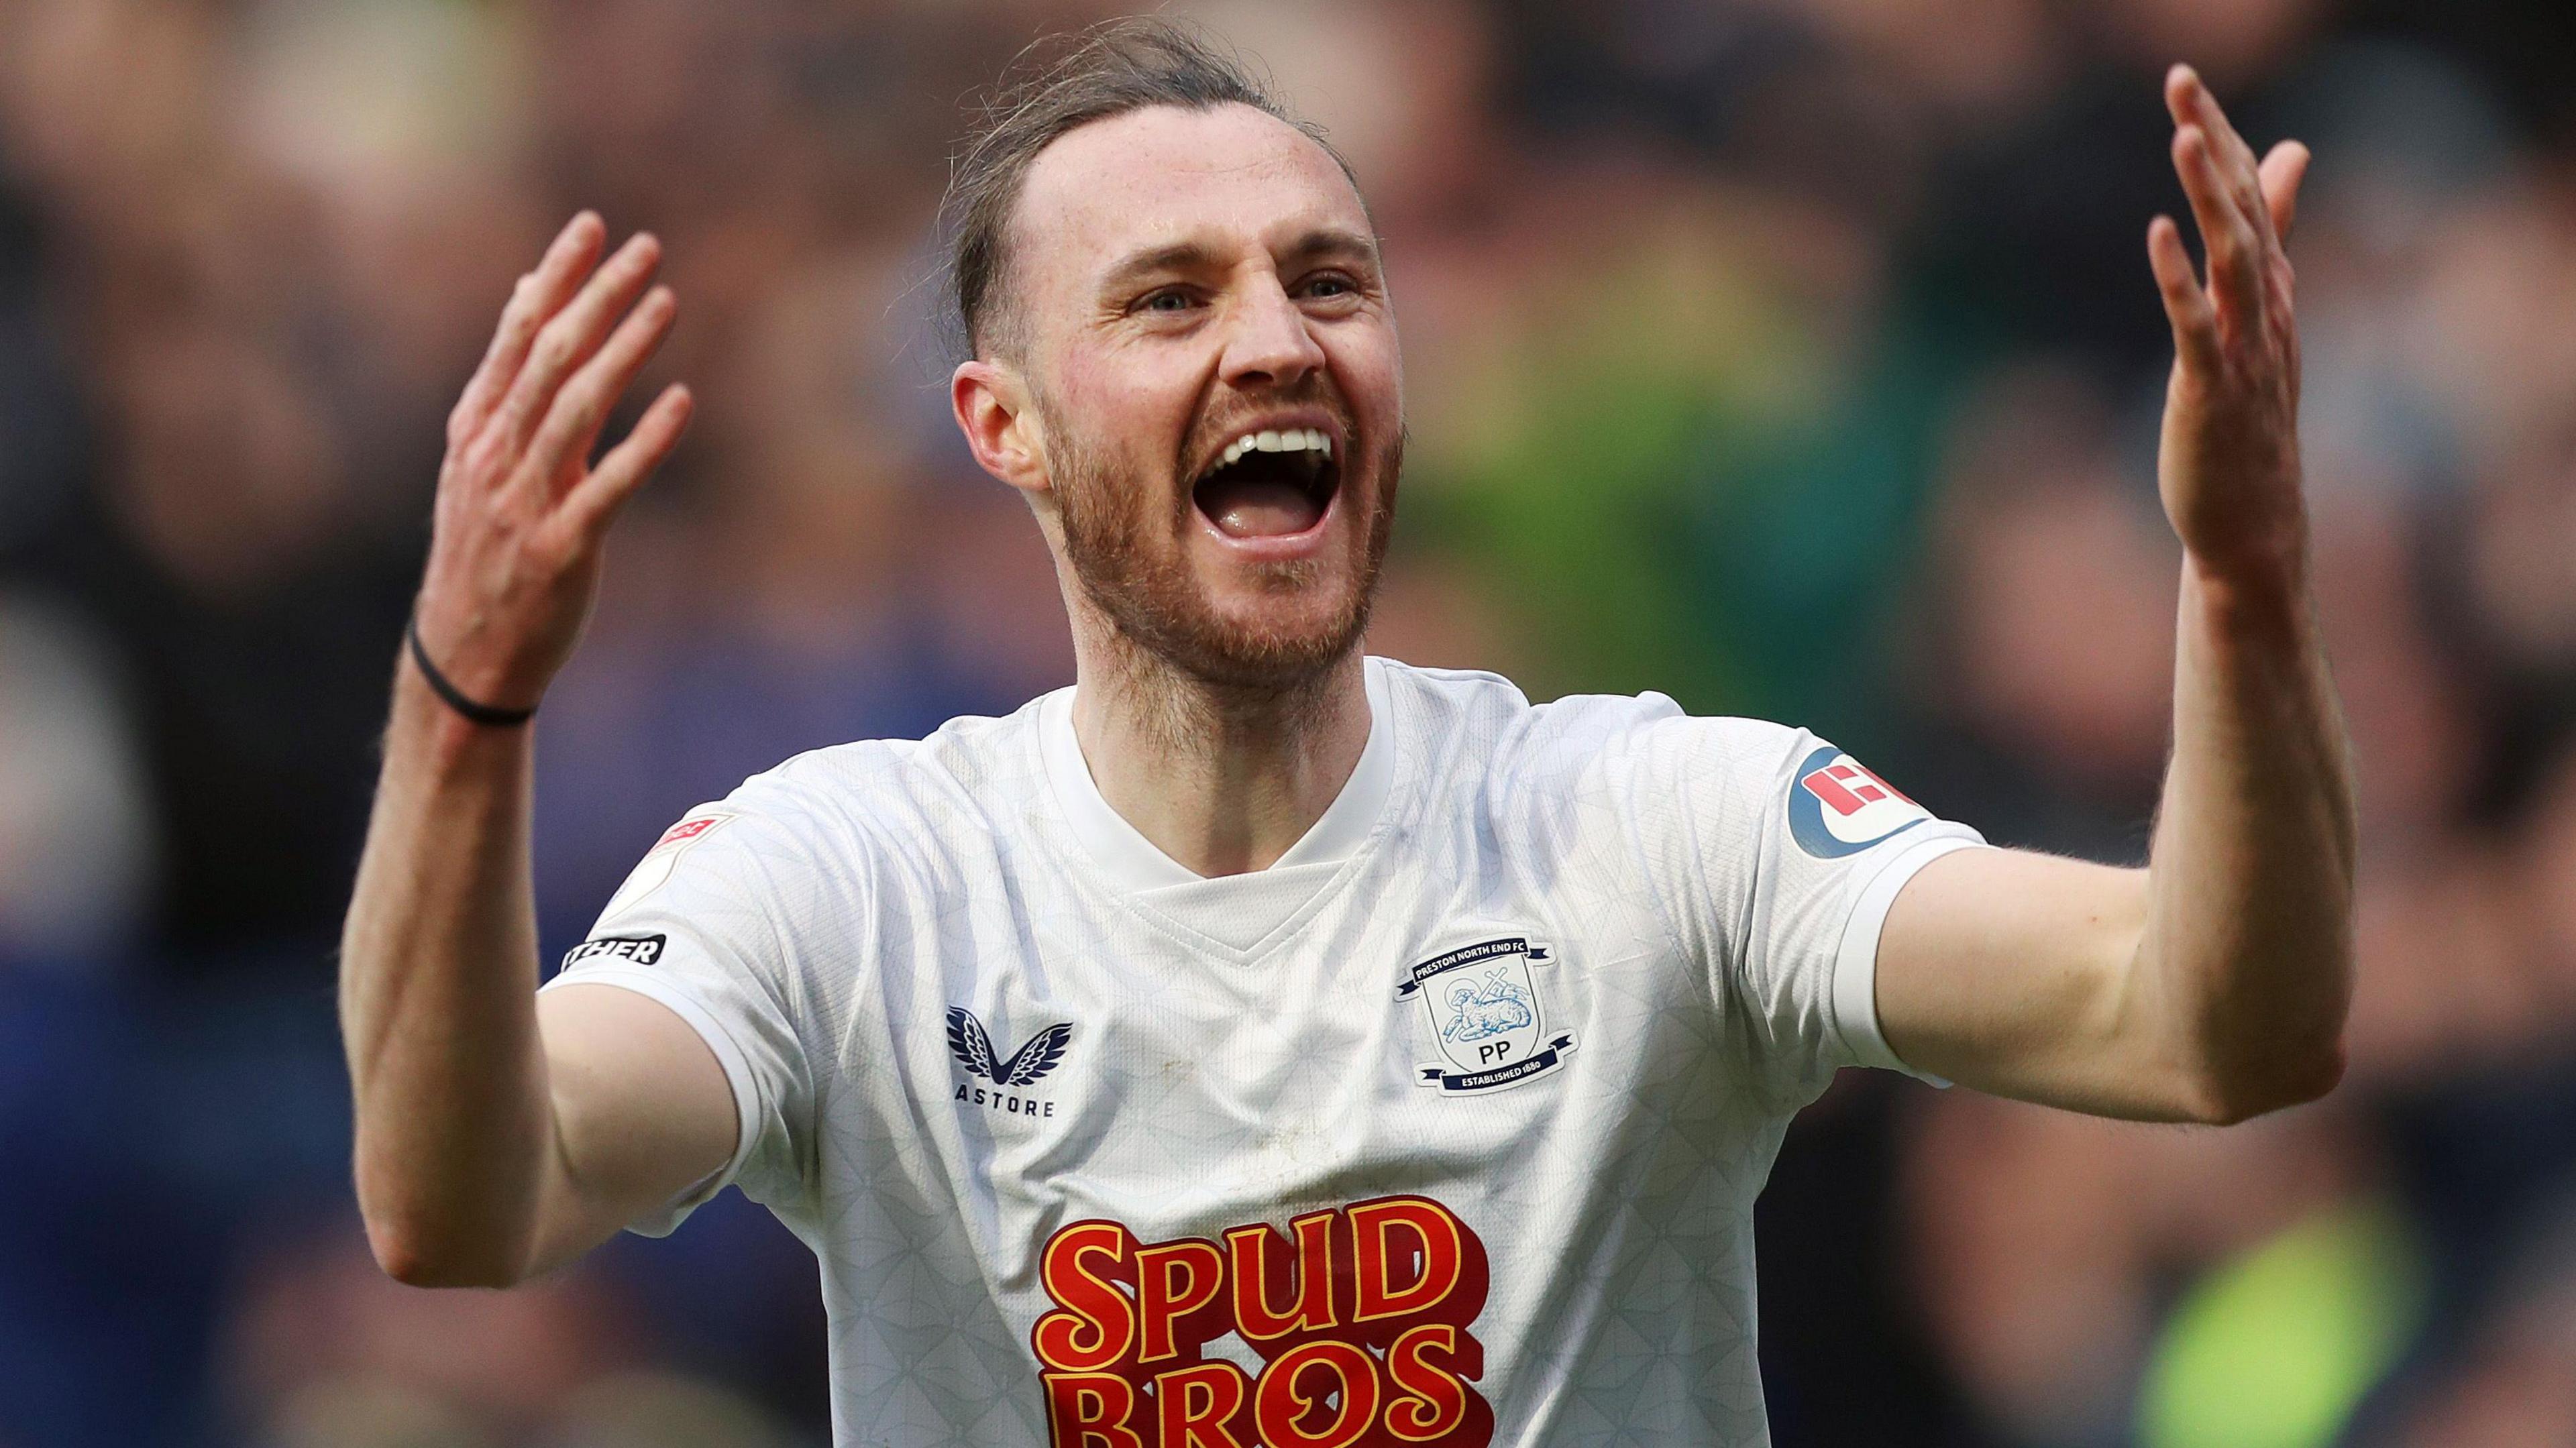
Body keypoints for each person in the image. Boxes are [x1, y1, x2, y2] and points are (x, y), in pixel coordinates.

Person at [337, 20, 2352, 1447]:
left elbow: (2211, 1025)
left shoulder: (1650, 826)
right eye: (1167, 299)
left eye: (1330, 279)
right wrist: (463, 706)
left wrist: (2248, 596)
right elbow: (460, 1201)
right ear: (1002, 431)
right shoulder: (852, 882)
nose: (1280, 336)